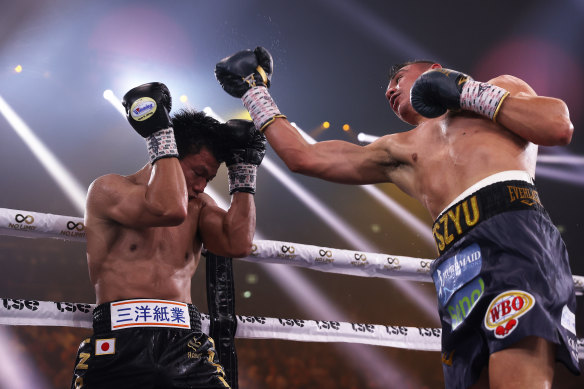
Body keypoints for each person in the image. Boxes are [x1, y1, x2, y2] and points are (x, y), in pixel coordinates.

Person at [214, 48, 580, 388]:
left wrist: (466, 92)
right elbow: (304, 157)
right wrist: (255, 92)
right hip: (456, 264)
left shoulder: (499, 89)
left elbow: (557, 125)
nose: (389, 89)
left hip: (513, 233)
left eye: (398, 77)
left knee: (518, 376)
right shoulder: (398, 149)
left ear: (434, 72)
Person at [70, 82, 266, 389]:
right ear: (172, 154)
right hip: (121, 337)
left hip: (185, 339)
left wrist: (243, 174)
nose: (202, 185)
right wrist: (161, 133)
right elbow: (168, 209)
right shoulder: (109, 190)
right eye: (198, 172)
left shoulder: (200, 205)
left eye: (210, 178)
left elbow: (237, 243)